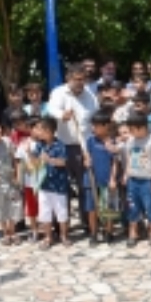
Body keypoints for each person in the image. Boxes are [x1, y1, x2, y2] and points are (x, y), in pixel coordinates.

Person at [48, 63, 99, 234]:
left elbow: (95, 117)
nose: (80, 83)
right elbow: (51, 109)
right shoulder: (59, 92)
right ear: (68, 78)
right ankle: (62, 225)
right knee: (61, 187)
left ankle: (88, 222)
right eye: (77, 79)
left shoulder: (90, 95)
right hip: (62, 146)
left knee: (85, 185)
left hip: (83, 147)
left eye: (82, 79)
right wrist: (62, 115)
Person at [122, 112, 151, 247]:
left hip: (147, 180)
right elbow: (129, 158)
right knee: (132, 207)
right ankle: (133, 233)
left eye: (133, 129)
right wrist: (126, 174)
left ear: (142, 127)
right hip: (133, 180)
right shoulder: (130, 141)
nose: (131, 132)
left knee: (150, 207)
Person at [32, 116, 71, 249]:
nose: (38, 132)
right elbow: (35, 161)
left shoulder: (60, 145)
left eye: (41, 129)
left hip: (59, 185)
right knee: (45, 212)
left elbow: (63, 162)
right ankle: (48, 237)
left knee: (61, 212)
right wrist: (33, 157)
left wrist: (49, 160)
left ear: (49, 131)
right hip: (44, 184)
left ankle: (64, 236)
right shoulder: (39, 145)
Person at [84, 111, 118, 246]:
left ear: (106, 126)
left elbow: (114, 162)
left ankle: (109, 232)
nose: (94, 128)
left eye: (97, 126)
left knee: (108, 207)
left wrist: (113, 178)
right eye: (93, 125)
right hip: (91, 180)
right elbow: (86, 156)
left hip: (107, 179)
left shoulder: (112, 142)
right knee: (92, 209)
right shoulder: (90, 141)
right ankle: (93, 233)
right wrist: (86, 161)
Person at [15, 117, 44, 242]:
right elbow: (18, 161)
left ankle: (46, 230)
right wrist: (18, 178)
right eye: (37, 128)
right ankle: (34, 230)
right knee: (32, 208)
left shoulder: (45, 142)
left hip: (44, 181)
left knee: (44, 206)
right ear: (30, 129)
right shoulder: (24, 144)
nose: (40, 130)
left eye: (42, 127)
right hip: (29, 181)